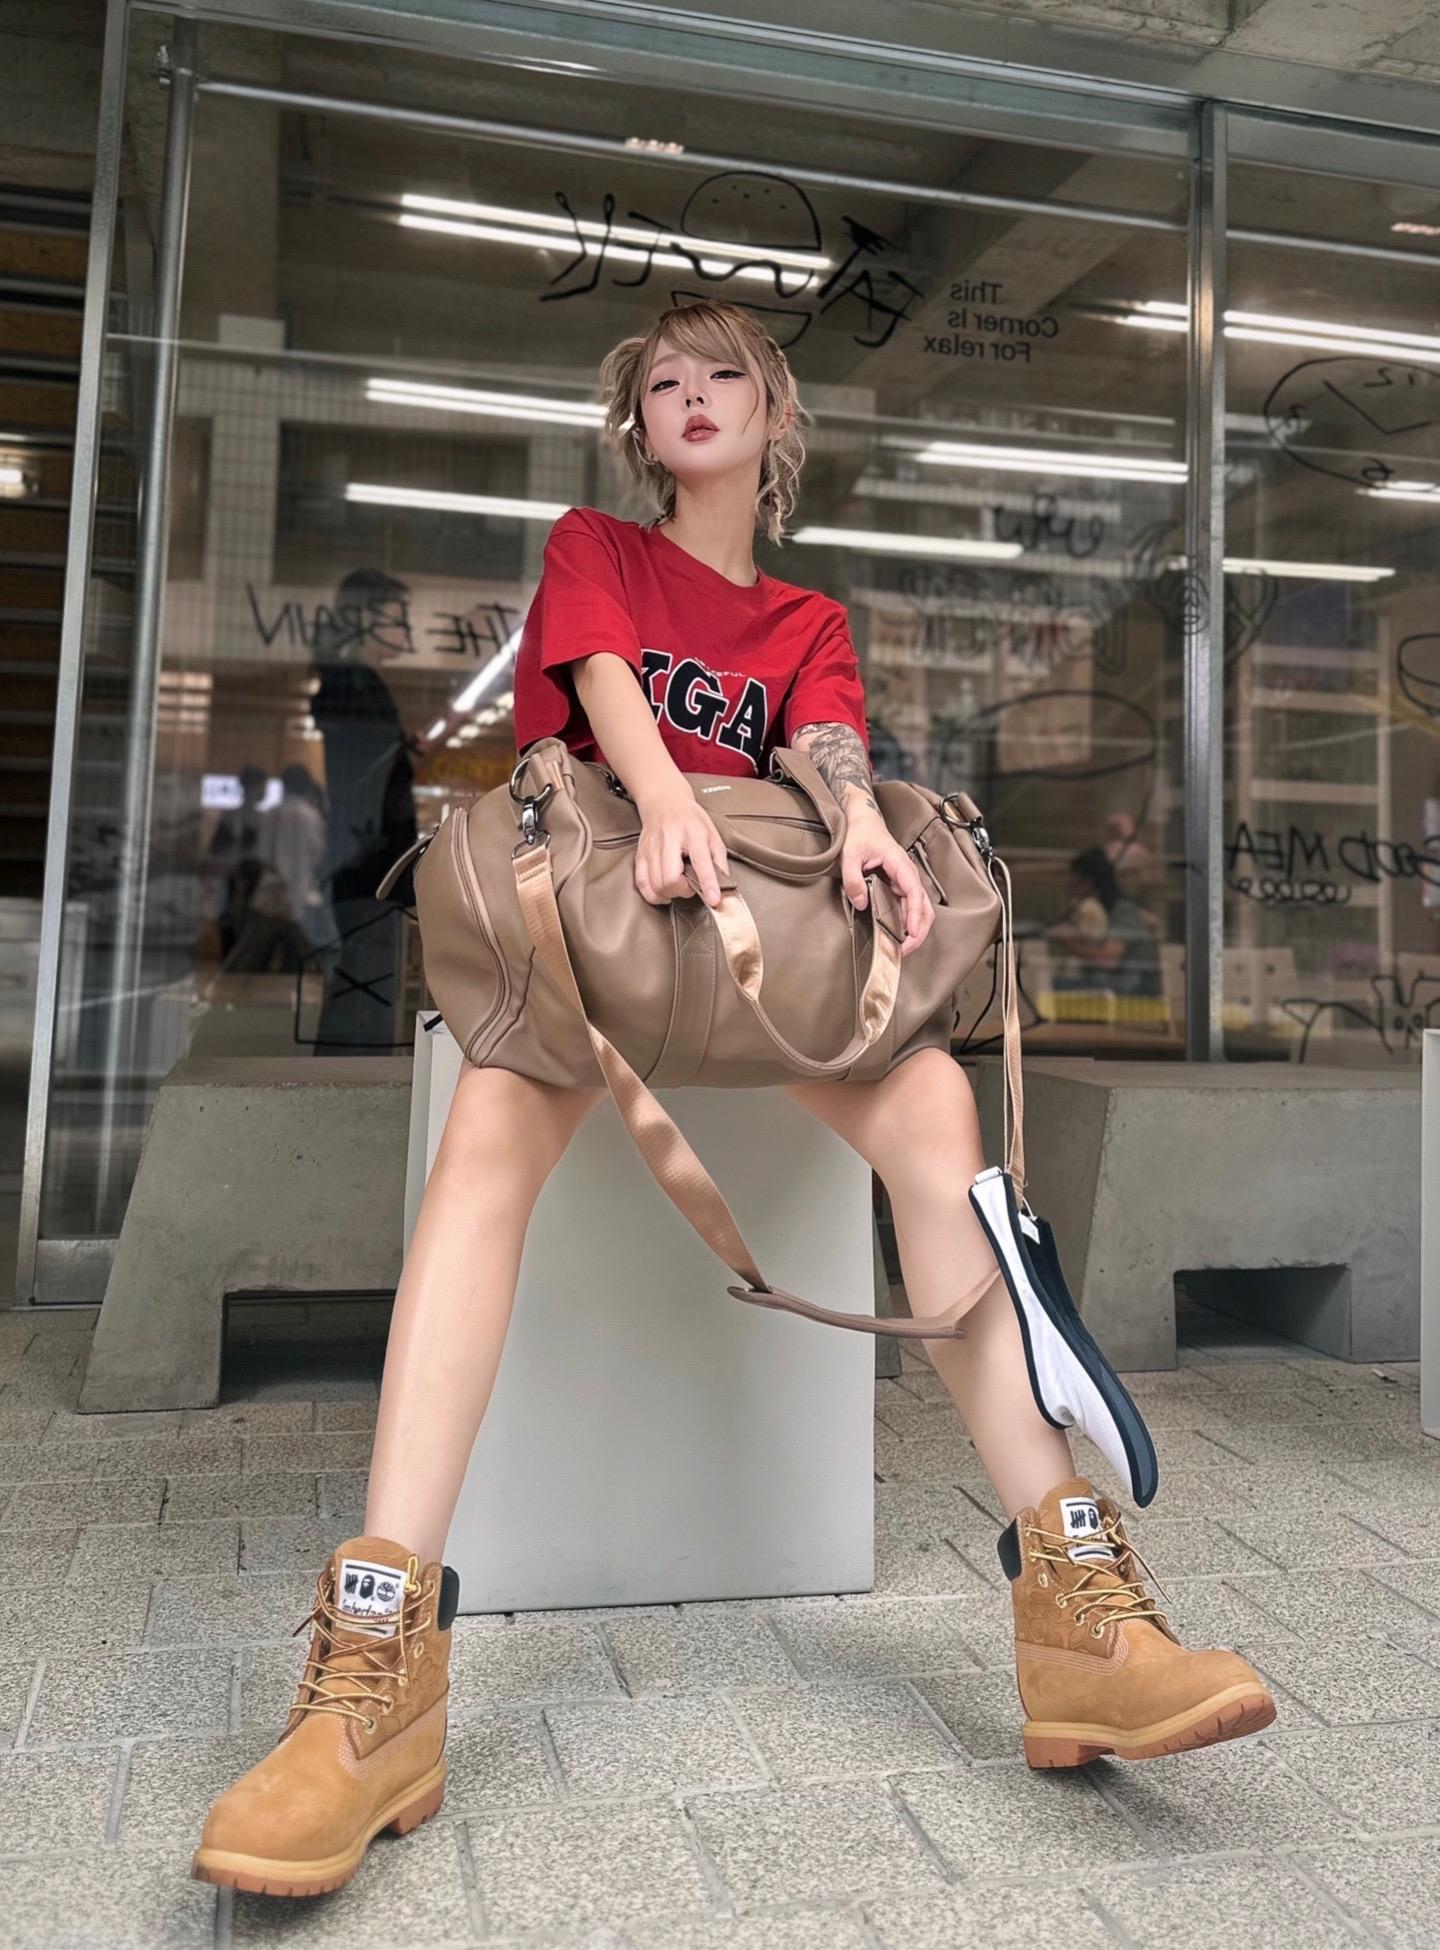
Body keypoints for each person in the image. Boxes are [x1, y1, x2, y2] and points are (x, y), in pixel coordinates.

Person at [193, 300, 1274, 1899]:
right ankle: (375, 1667)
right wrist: (666, 796)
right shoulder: (598, 549)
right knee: (483, 1145)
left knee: (935, 1117)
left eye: (724, 375)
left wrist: (862, 821)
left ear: (776, 416)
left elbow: (826, 741)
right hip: (595, 946)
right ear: (636, 428)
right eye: (662, 381)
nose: (690, 394)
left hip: (753, 959)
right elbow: (604, 682)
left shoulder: (810, 614)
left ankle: (1082, 1610)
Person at [1049, 845, 1162, 1000]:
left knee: (1054, 987)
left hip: (1132, 994)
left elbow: (1106, 960)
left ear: (1089, 883)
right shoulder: (1101, 912)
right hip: (1111, 988)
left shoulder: (1123, 913)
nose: (1072, 890)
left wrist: (1068, 942)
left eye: (1076, 884)